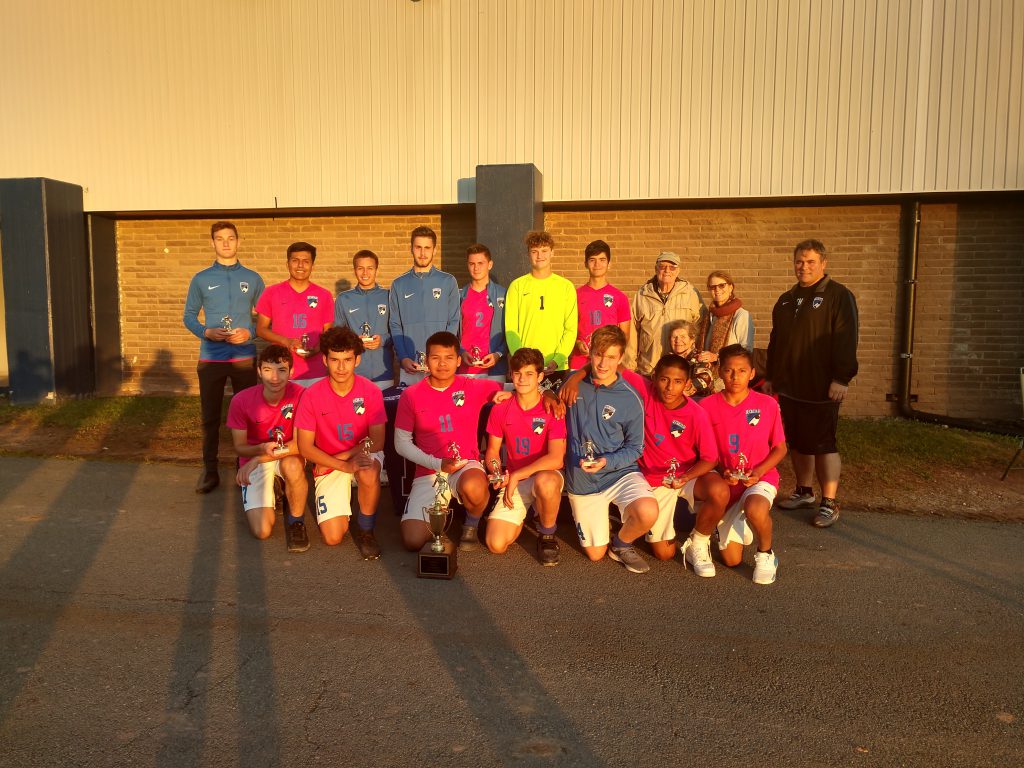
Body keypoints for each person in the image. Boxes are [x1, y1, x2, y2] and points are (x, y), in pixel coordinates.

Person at [562, 352, 728, 573]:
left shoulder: (696, 414)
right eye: (664, 379)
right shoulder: (644, 389)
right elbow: (612, 365)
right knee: (664, 554)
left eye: (678, 382)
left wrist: (686, 477)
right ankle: (626, 530)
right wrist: (574, 378)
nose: (670, 387)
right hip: (654, 480)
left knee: (719, 490)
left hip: (683, 476)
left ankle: (698, 543)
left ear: (687, 384)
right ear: (654, 377)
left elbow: (710, 458)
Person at [766, 239, 859, 528]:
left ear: (823, 263)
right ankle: (804, 492)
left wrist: (841, 378)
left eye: (809, 262)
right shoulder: (786, 299)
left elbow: (846, 337)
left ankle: (829, 502)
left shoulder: (838, 295)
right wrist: (770, 376)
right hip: (790, 386)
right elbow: (776, 341)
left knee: (823, 444)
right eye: (799, 261)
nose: (803, 267)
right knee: (798, 442)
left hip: (823, 386)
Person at [394, 332, 510, 553]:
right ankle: (440, 520)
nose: (442, 363)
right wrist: (436, 463)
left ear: (458, 360)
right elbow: (401, 443)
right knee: (412, 541)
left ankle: (471, 524)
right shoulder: (411, 395)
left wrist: (546, 395)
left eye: (449, 357)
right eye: (435, 357)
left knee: (474, 487)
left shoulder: (473, 386)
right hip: (430, 470)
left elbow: (520, 392)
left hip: (465, 464)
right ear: (426, 360)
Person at [563, 325, 658, 574]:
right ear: (590, 353)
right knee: (595, 554)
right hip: (583, 479)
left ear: (620, 358)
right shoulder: (572, 382)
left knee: (648, 510)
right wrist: (554, 395)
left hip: (619, 473)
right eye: (598, 355)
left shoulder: (630, 397)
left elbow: (636, 448)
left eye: (611, 357)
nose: (603, 363)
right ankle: (605, 523)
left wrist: (607, 461)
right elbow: (539, 390)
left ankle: (622, 543)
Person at [183, 221, 265, 494]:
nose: (226, 243)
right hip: (211, 358)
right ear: (213, 243)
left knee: (252, 416)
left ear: (238, 241)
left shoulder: (253, 278)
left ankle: (252, 467)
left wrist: (250, 332)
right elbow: (188, 317)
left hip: (243, 358)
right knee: (210, 418)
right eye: (220, 239)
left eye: (230, 238)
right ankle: (209, 471)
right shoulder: (201, 278)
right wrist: (206, 331)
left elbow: (267, 319)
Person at [294, 326, 387, 560]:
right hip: (329, 461)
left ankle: (366, 530)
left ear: (357, 360)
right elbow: (305, 447)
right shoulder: (311, 394)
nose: (341, 367)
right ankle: (342, 501)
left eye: (347, 359)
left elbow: (377, 441)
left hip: (354, 454)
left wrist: (344, 459)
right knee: (333, 537)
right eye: (335, 360)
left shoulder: (371, 391)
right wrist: (341, 466)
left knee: (367, 469)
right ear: (325, 359)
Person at [700, 344, 788, 584]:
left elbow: (780, 448)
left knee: (756, 508)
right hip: (727, 481)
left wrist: (759, 472)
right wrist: (720, 470)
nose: (735, 376)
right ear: (720, 371)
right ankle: (736, 522)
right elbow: (703, 451)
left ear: (752, 373)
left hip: (760, 477)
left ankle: (765, 554)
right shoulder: (706, 407)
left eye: (741, 371)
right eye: (729, 370)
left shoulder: (767, 404)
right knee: (731, 560)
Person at [483, 348, 567, 565]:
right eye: (518, 373)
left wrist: (518, 475)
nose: (522, 379)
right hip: (514, 479)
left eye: (529, 374)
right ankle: (528, 512)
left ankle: (547, 535)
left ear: (540, 377)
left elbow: (556, 458)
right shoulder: (501, 408)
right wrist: (496, 471)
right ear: (511, 375)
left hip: (543, 476)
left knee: (545, 481)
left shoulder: (552, 408)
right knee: (496, 543)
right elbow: (492, 450)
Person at [227, 344, 309, 552]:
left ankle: (296, 522)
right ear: (259, 371)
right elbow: (240, 447)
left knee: (292, 466)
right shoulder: (241, 401)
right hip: (257, 454)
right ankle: (274, 487)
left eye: (281, 370)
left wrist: (260, 458)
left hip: (287, 454)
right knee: (261, 531)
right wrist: (261, 449)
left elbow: (301, 444)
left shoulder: (302, 395)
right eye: (268, 370)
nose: (275, 377)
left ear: (291, 372)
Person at [504, 231, 578, 390]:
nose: (540, 255)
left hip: (556, 366)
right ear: (528, 254)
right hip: (527, 368)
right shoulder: (517, 286)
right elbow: (511, 329)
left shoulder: (565, 287)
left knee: (555, 412)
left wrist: (557, 358)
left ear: (552, 252)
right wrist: (523, 361)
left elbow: (570, 329)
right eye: (534, 251)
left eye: (544, 250)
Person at [255, 241, 334, 386]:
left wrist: (316, 350)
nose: (300, 266)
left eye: (306, 261)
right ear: (287, 264)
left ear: (312, 266)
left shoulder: (324, 295)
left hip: (316, 370)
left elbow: (327, 333)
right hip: (281, 369)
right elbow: (261, 329)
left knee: (316, 409)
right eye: (295, 260)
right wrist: (287, 342)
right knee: (284, 409)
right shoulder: (271, 293)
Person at [389, 226, 460, 386]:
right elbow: (395, 324)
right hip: (410, 365)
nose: (423, 253)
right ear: (411, 249)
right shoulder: (399, 284)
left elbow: (454, 321)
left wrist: (442, 355)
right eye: (418, 247)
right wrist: (403, 357)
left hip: (439, 365)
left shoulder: (448, 281)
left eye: (427, 248)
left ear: (434, 250)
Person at [625, 250, 705, 376]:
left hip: (681, 368)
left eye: (672, 267)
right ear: (656, 269)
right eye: (662, 267)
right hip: (650, 368)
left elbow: (701, 325)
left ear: (678, 271)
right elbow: (632, 331)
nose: (667, 271)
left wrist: (694, 357)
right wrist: (630, 367)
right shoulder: (642, 295)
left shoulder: (690, 293)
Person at [334, 249, 394, 389]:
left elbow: (397, 330)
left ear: (376, 270)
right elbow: (337, 335)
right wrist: (354, 341)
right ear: (354, 270)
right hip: (354, 373)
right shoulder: (343, 299)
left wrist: (383, 340)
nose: (365, 273)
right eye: (360, 268)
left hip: (383, 372)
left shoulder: (389, 296)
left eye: (370, 268)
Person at [569, 240, 631, 371]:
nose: (597, 264)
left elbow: (624, 336)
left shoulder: (620, 297)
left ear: (609, 264)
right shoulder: (574, 296)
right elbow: (568, 329)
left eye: (602, 259)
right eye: (592, 260)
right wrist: (578, 343)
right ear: (585, 263)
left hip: (607, 365)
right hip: (580, 362)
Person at [695, 270, 754, 391]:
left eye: (722, 285)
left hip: (728, 379)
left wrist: (716, 357)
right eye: (712, 286)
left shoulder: (741, 315)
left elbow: (746, 351)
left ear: (731, 287)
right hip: (706, 377)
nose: (717, 290)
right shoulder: (709, 315)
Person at [458, 244, 508, 381]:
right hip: (465, 368)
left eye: (481, 263)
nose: (476, 268)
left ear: (490, 264)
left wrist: (498, 354)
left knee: (494, 403)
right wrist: (461, 352)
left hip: (495, 369)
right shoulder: (458, 296)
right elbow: (452, 332)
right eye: (472, 263)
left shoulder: (504, 294)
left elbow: (510, 331)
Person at [666, 320, 714, 397]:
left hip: (697, 402)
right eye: (674, 337)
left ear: (692, 339)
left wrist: (678, 390)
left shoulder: (700, 357)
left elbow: (704, 379)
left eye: (683, 337)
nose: (678, 340)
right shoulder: (667, 359)